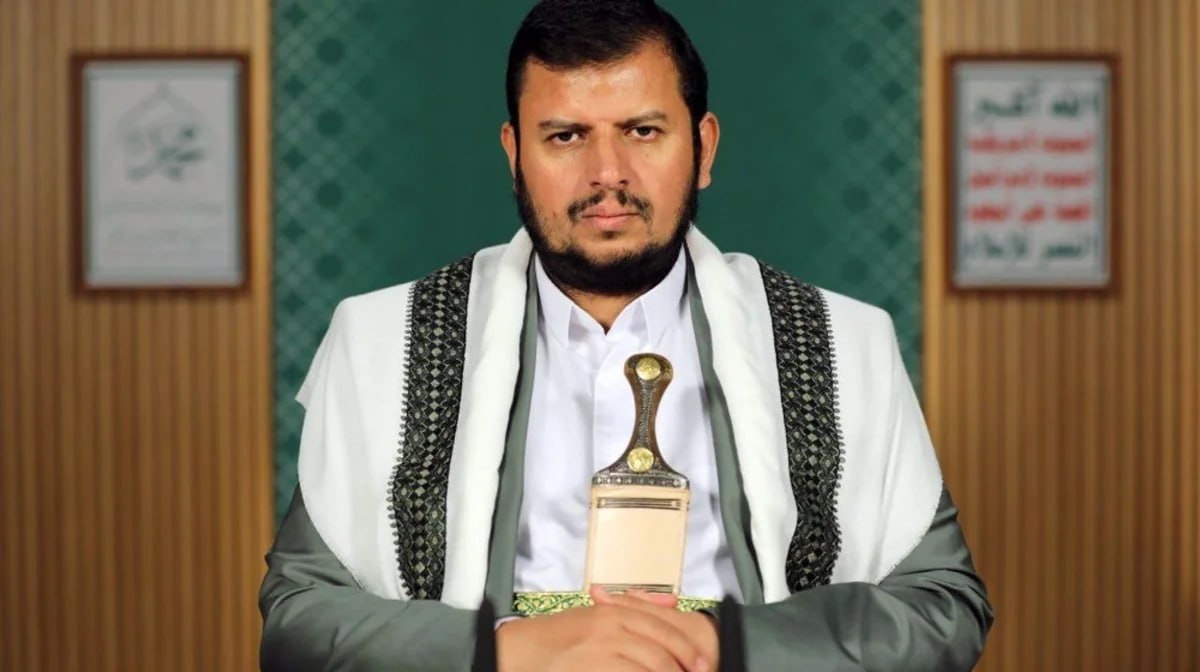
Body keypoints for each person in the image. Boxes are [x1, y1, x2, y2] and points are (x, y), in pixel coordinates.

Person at [258, 1, 994, 670]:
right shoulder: (383, 341)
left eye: (643, 132)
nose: (607, 174)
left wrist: (725, 646)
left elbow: (943, 609)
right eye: (566, 136)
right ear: (515, 155)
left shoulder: (841, 341)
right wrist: (505, 650)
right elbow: (299, 619)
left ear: (703, 148)